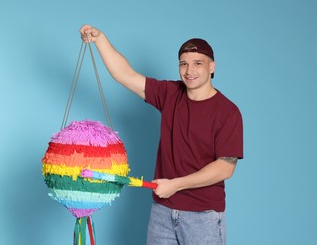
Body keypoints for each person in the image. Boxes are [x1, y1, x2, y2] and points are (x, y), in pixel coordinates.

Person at [80, 25, 243, 245]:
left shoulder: (228, 112)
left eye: (197, 63)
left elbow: (225, 168)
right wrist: (100, 39)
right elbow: (124, 75)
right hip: (162, 212)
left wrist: (175, 185)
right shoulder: (170, 94)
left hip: (202, 216)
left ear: (211, 67)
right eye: (183, 64)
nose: (189, 71)